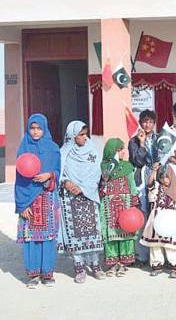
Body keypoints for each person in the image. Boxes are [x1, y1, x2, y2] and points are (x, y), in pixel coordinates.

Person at [16, 113, 61, 288]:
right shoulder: (23, 148)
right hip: (28, 198)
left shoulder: (53, 148)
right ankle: (33, 274)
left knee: (49, 236)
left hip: (48, 198)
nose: (35, 132)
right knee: (31, 237)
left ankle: (47, 274)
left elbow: (58, 171)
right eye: (32, 128)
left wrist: (49, 175)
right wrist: (22, 204)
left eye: (39, 128)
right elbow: (20, 178)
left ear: (45, 128)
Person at [58, 120, 104, 283]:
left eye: (86, 134)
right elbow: (59, 172)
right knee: (75, 234)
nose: (85, 138)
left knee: (93, 232)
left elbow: (97, 173)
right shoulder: (64, 152)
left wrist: (84, 189)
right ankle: (79, 268)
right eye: (81, 135)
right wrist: (66, 182)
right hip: (71, 198)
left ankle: (96, 265)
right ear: (72, 136)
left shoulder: (93, 151)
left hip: (89, 195)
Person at [99, 138, 140, 277]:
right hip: (108, 205)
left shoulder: (127, 166)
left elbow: (132, 184)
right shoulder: (103, 167)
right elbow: (98, 186)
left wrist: (134, 200)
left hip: (125, 203)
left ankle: (123, 263)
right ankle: (112, 264)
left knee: (125, 231)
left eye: (123, 149)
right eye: (120, 149)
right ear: (112, 151)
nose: (123, 152)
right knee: (110, 233)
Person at [139, 164, 176, 278]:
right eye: (162, 177)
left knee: (172, 244)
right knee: (155, 244)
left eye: (166, 177)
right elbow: (149, 183)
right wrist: (154, 171)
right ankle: (157, 265)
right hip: (156, 218)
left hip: (170, 219)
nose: (164, 180)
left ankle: (175, 266)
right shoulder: (156, 187)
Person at [128, 109, 160, 264]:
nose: (147, 124)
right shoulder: (133, 141)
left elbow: (162, 158)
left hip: (157, 179)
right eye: (145, 121)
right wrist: (141, 143)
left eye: (150, 122)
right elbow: (138, 161)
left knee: (156, 214)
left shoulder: (160, 139)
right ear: (140, 123)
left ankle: (157, 256)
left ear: (154, 123)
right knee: (142, 215)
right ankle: (141, 255)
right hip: (140, 181)